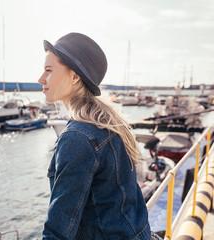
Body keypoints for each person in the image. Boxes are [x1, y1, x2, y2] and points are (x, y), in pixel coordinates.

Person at [38, 33, 159, 240]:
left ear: (75, 77)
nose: (41, 79)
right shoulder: (110, 123)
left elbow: (58, 229)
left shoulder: (77, 138)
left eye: (48, 70)